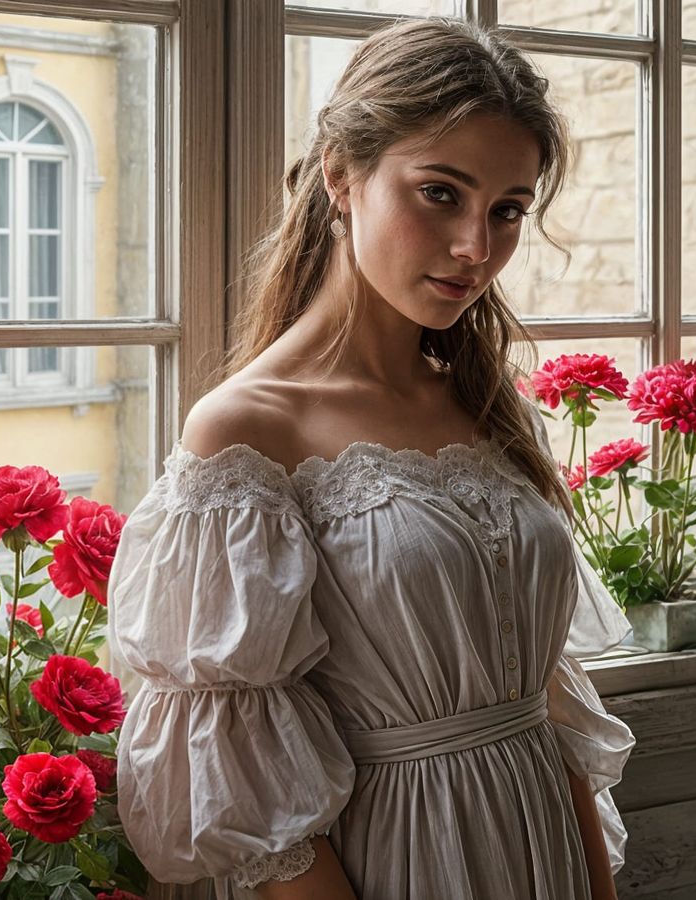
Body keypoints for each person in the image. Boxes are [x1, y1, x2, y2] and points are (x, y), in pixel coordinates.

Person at [106, 18, 635, 900]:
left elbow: (549, 710)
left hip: (542, 849)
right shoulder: (246, 432)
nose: (477, 247)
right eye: (440, 193)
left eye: (508, 209)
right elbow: (241, 783)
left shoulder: (487, 402)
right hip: (397, 864)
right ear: (341, 176)